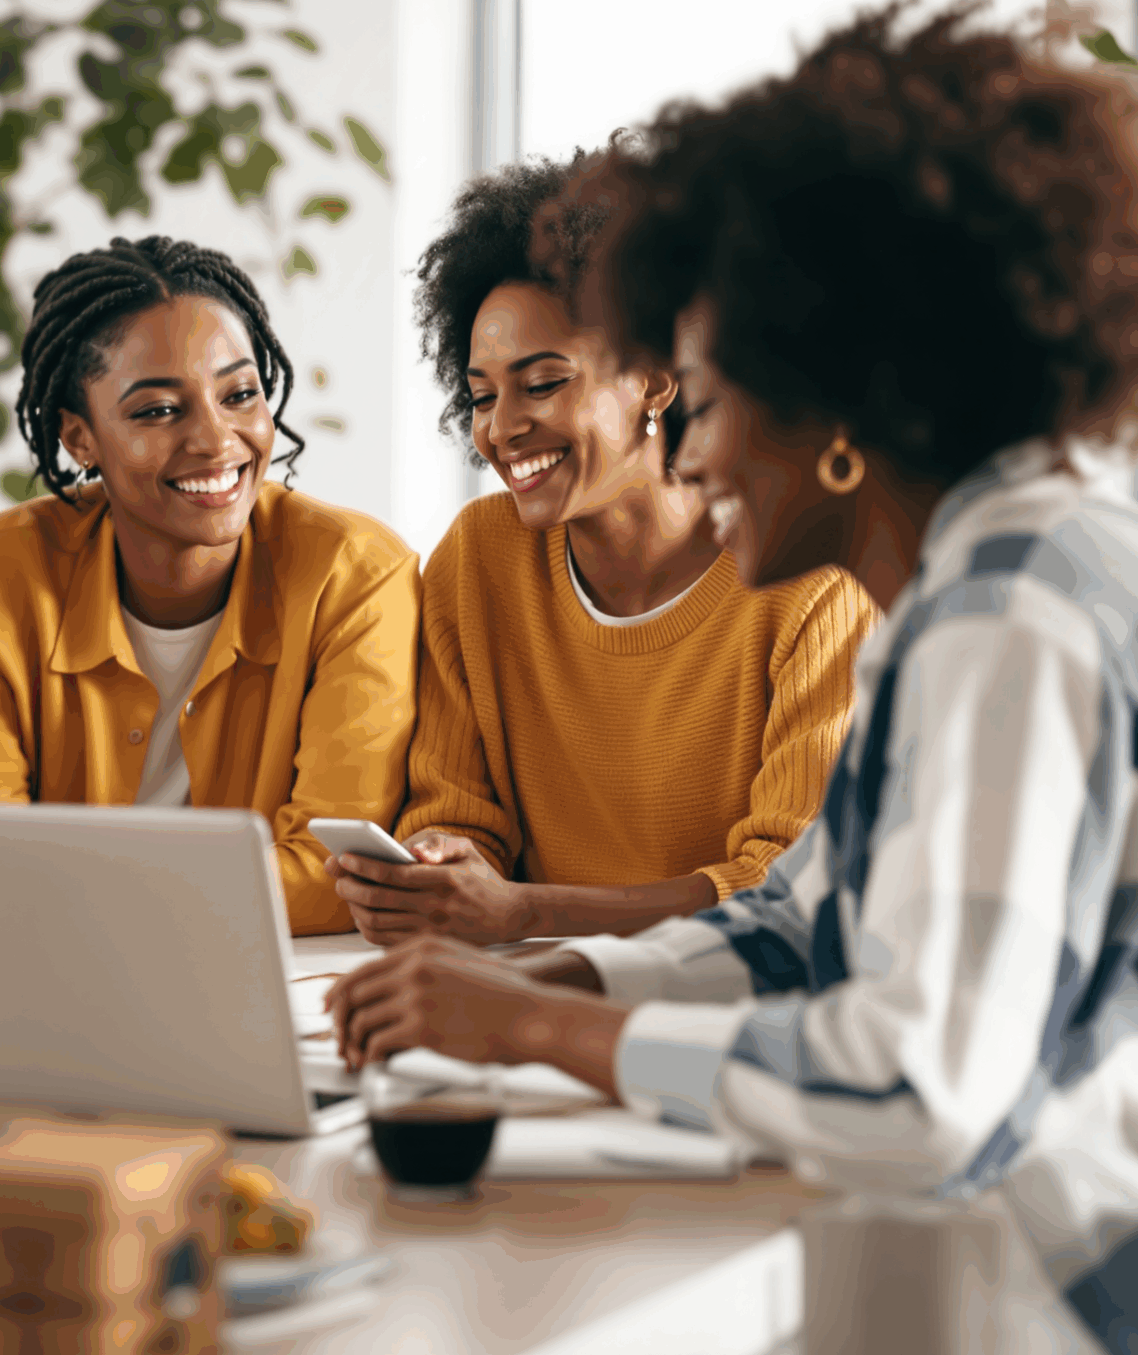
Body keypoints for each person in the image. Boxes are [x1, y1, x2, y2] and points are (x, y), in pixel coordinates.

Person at [329, 4, 1138, 1351]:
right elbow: (800, 924)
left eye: (712, 401)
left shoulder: (1016, 618)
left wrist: (549, 1036)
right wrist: (561, 982)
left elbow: (918, 1092)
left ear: (838, 411)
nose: (700, 457)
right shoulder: (984, 577)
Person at [328, 154, 874, 949]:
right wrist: (444, 863)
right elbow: (456, 809)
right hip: (516, 990)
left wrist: (528, 911)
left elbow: (787, 885)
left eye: (543, 383)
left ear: (657, 378)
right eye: (482, 395)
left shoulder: (809, 581)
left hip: (725, 1009)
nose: (502, 427)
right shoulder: (479, 559)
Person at [0, 236, 420, 935]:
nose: (217, 442)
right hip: (53, 982)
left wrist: (76, 899)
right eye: (158, 411)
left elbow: (339, 874)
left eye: (239, 394)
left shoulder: (355, 577)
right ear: (80, 438)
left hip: (281, 984)